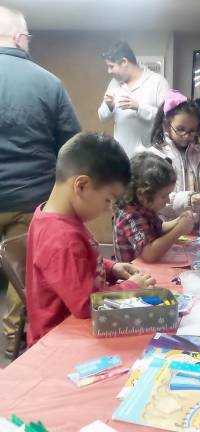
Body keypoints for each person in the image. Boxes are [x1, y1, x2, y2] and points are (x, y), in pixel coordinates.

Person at [0, 6, 81, 357]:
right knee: (22, 283)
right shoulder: (49, 83)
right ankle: (9, 350)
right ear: (20, 38)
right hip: (26, 199)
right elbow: (72, 146)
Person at [25, 133, 156, 346]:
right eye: (108, 199)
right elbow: (86, 304)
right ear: (82, 185)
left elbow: (72, 266)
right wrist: (130, 287)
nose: (108, 209)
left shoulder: (57, 220)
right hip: (60, 340)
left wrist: (112, 267)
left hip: (72, 329)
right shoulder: (61, 237)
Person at [150, 89, 200, 219]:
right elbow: (154, 195)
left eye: (193, 130)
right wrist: (186, 200)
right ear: (166, 126)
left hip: (195, 225)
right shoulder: (155, 156)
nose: (187, 136)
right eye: (181, 130)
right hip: (166, 225)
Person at [113, 153, 196, 263]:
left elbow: (159, 228)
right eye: (164, 195)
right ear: (142, 194)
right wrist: (179, 229)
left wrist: (180, 220)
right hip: (133, 276)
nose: (168, 200)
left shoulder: (145, 208)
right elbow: (149, 253)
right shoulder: (131, 216)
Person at [98, 41, 170, 158]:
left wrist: (139, 108)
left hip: (150, 159)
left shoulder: (158, 82)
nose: (109, 71)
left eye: (111, 66)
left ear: (124, 62)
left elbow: (168, 118)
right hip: (121, 158)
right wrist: (109, 106)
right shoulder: (114, 83)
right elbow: (102, 117)